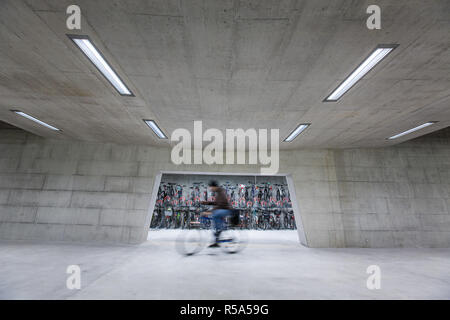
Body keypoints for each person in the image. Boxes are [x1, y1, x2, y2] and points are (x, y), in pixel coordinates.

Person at [201, 180, 232, 248]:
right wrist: (207, 203)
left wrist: (210, 212)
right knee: (215, 223)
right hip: (222, 209)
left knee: (215, 214)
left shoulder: (221, 192)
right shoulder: (218, 192)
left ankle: (219, 230)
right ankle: (216, 240)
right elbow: (216, 203)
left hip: (226, 210)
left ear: (214, 187)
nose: (210, 189)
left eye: (211, 187)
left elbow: (220, 205)